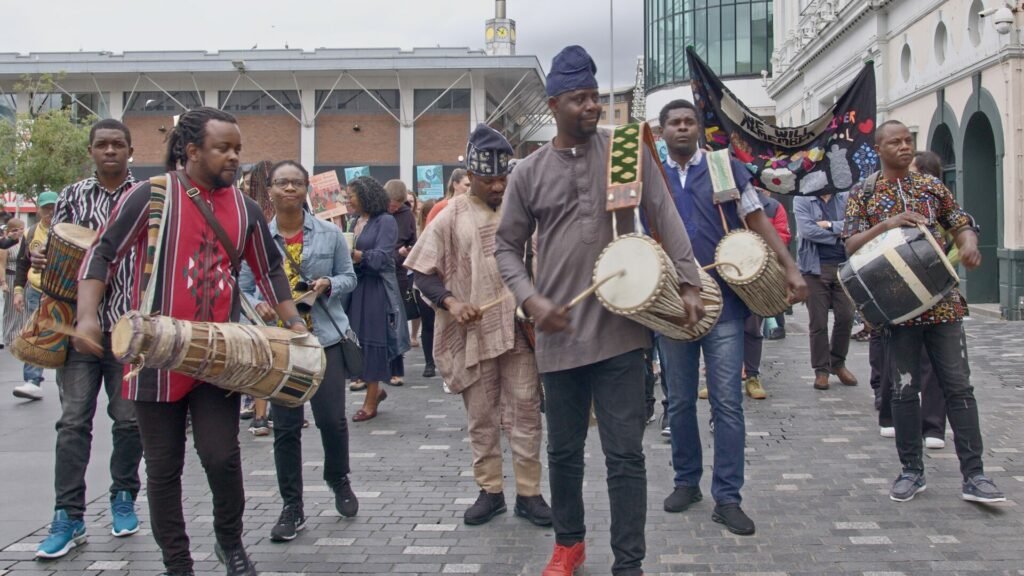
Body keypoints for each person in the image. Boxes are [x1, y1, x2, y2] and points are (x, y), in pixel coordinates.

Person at [496, 46, 705, 576]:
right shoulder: (527, 172)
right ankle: (569, 545)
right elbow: (505, 247)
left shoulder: (626, 152)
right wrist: (530, 298)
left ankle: (629, 561)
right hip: (559, 334)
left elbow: (664, 215)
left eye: (595, 96)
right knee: (564, 453)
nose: (592, 106)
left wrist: (688, 282)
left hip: (621, 330)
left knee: (625, 455)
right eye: (579, 98)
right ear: (554, 104)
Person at [77, 107, 303, 576]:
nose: (234, 157)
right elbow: (103, 255)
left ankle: (230, 543)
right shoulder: (151, 196)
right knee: (163, 469)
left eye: (238, 149)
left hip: (220, 358)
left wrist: (294, 324)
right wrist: (85, 318)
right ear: (192, 150)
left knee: (222, 458)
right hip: (154, 356)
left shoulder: (245, 208)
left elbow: (270, 269)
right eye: (224, 148)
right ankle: (177, 564)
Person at [656, 99, 807, 537]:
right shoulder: (653, 175)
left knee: (727, 404)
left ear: (699, 129)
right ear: (662, 131)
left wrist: (790, 267)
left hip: (724, 304)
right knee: (680, 402)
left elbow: (756, 219)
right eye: (674, 123)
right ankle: (687, 483)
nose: (682, 129)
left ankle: (728, 497)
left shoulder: (724, 168)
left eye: (689, 122)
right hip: (674, 307)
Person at [844, 120, 1004, 504]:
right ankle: (911, 471)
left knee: (959, 387)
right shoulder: (863, 193)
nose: (904, 147)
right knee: (903, 390)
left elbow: (961, 223)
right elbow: (850, 245)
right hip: (896, 311)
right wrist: (887, 223)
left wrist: (968, 244)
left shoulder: (931, 187)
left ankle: (975, 475)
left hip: (942, 305)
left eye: (908, 141)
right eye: (895, 142)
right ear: (879, 148)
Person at [407, 124, 551, 528]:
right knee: (482, 418)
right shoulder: (449, 215)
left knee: (525, 415)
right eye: (489, 180)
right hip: (473, 333)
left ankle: (530, 493)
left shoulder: (523, 207)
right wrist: (452, 303)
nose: (498, 186)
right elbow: (423, 272)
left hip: (521, 332)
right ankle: (490, 492)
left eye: (503, 178)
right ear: (469, 176)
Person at [25, 119, 145, 559]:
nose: (110, 150)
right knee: (73, 422)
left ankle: (123, 495)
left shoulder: (147, 195)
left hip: (129, 329)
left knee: (129, 420)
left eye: (117, 144)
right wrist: (42, 255)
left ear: (130, 150)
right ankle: (68, 515)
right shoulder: (73, 195)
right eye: (102, 144)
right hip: (78, 327)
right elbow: (57, 248)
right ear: (91, 151)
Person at [239, 160, 360, 542]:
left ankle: (338, 479)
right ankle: (292, 505)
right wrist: (257, 302)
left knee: (332, 420)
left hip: (324, 340)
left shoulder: (329, 233)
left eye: (296, 183)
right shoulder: (257, 238)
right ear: (270, 191)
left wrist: (329, 284)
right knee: (286, 429)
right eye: (282, 183)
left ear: (307, 188)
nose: (289, 189)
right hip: (281, 348)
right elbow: (243, 285)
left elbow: (349, 277)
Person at [871, 150, 950, 446]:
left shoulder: (938, 200)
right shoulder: (882, 195)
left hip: (932, 283)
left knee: (933, 359)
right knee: (896, 350)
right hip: (896, 282)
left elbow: (955, 231)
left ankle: (932, 427)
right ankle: (890, 414)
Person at [345, 176, 400, 422]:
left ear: (365, 196)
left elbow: (381, 258)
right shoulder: (354, 221)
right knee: (356, 341)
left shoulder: (385, 221)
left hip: (375, 289)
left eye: (351, 196)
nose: (347, 201)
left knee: (373, 341)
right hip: (355, 287)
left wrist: (353, 254)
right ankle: (375, 390)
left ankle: (370, 400)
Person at [793, 183, 857, 390]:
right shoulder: (802, 198)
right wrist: (839, 231)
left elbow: (854, 225)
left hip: (844, 266)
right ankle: (821, 370)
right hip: (814, 268)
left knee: (846, 316)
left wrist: (828, 225)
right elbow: (807, 231)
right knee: (818, 322)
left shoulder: (845, 197)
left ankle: (837, 362)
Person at [740, 189, 792, 400]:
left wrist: (754, 246)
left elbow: (782, 236)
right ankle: (724, 378)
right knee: (723, 329)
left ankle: (752, 376)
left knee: (752, 327)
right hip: (728, 270)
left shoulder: (772, 206)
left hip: (759, 273)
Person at [238, 160, 274, 434]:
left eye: (253, 182)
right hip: (250, 291)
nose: (248, 185)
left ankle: (268, 407)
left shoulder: (262, 214)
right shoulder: (240, 207)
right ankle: (255, 402)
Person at [12, 190, 58, 400]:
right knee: (34, 333)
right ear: (38, 210)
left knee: (62, 335)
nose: (50, 212)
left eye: (53, 207)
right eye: (46, 208)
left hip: (60, 293)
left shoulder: (65, 231)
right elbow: (23, 264)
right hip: (35, 290)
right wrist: (18, 291)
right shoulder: (30, 233)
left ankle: (66, 382)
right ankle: (32, 380)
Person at [384, 179, 416, 387]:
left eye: (397, 204)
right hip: (382, 270)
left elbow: (413, 240)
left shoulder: (407, 215)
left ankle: (397, 367)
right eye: (391, 204)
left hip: (398, 272)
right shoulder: (379, 214)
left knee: (397, 321)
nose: (393, 207)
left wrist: (406, 251)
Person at [415, 198, 439, 378]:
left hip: (442, 282)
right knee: (428, 323)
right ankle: (429, 362)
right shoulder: (420, 232)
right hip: (423, 282)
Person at [1, 218, 26, 350]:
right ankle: (9, 336)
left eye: (22, 228)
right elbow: (1, 264)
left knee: (22, 308)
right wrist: (3, 282)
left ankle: (20, 335)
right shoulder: (6, 243)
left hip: (22, 278)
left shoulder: (24, 241)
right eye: (17, 229)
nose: (20, 231)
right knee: (10, 309)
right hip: (11, 276)